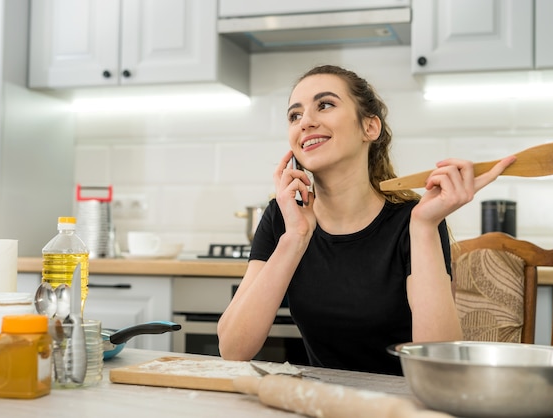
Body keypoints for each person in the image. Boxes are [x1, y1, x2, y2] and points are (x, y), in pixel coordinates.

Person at [217, 64, 516, 375]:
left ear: (369, 128)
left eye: (326, 104)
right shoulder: (284, 218)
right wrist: (296, 237)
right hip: (321, 404)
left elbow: (440, 366)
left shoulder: (412, 221)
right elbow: (233, 349)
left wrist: (424, 228)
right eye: (295, 115)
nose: (305, 122)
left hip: (402, 404)